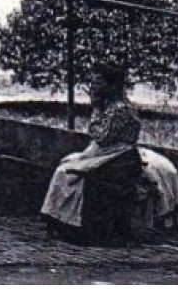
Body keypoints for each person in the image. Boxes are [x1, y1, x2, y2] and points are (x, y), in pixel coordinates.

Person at [41, 62, 143, 240]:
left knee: (67, 173)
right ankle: (61, 218)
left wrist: (95, 108)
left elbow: (101, 136)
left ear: (111, 86)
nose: (93, 87)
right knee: (67, 163)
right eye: (93, 82)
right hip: (110, 152)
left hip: (116, 157)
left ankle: (66, 222)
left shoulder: (118, 109)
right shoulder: (117, 106)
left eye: (98, 83)